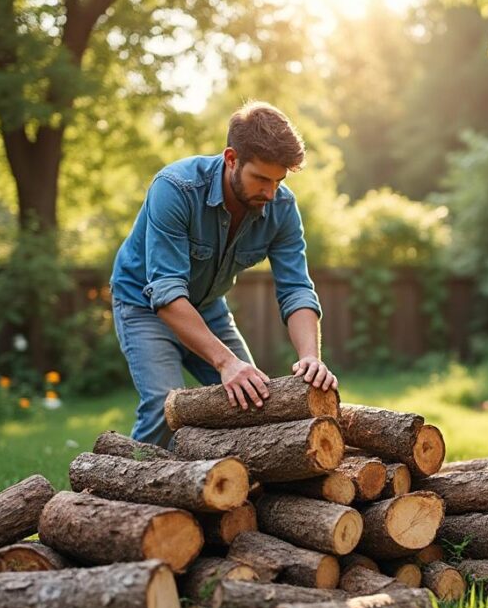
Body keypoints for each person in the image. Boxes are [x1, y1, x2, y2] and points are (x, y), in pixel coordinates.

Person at [109, 101, 337, 448]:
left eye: (278, 180)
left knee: (254, 403)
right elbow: (167, 292)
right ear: (232, 159)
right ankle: (116, 489)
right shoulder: (175, 189)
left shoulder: (282, 207)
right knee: (163, 408)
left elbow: (297, 290)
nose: (270, 192)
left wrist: (310, 358)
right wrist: (226, 363)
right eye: (260, 178)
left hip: (208, 306)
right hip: (143, 304)